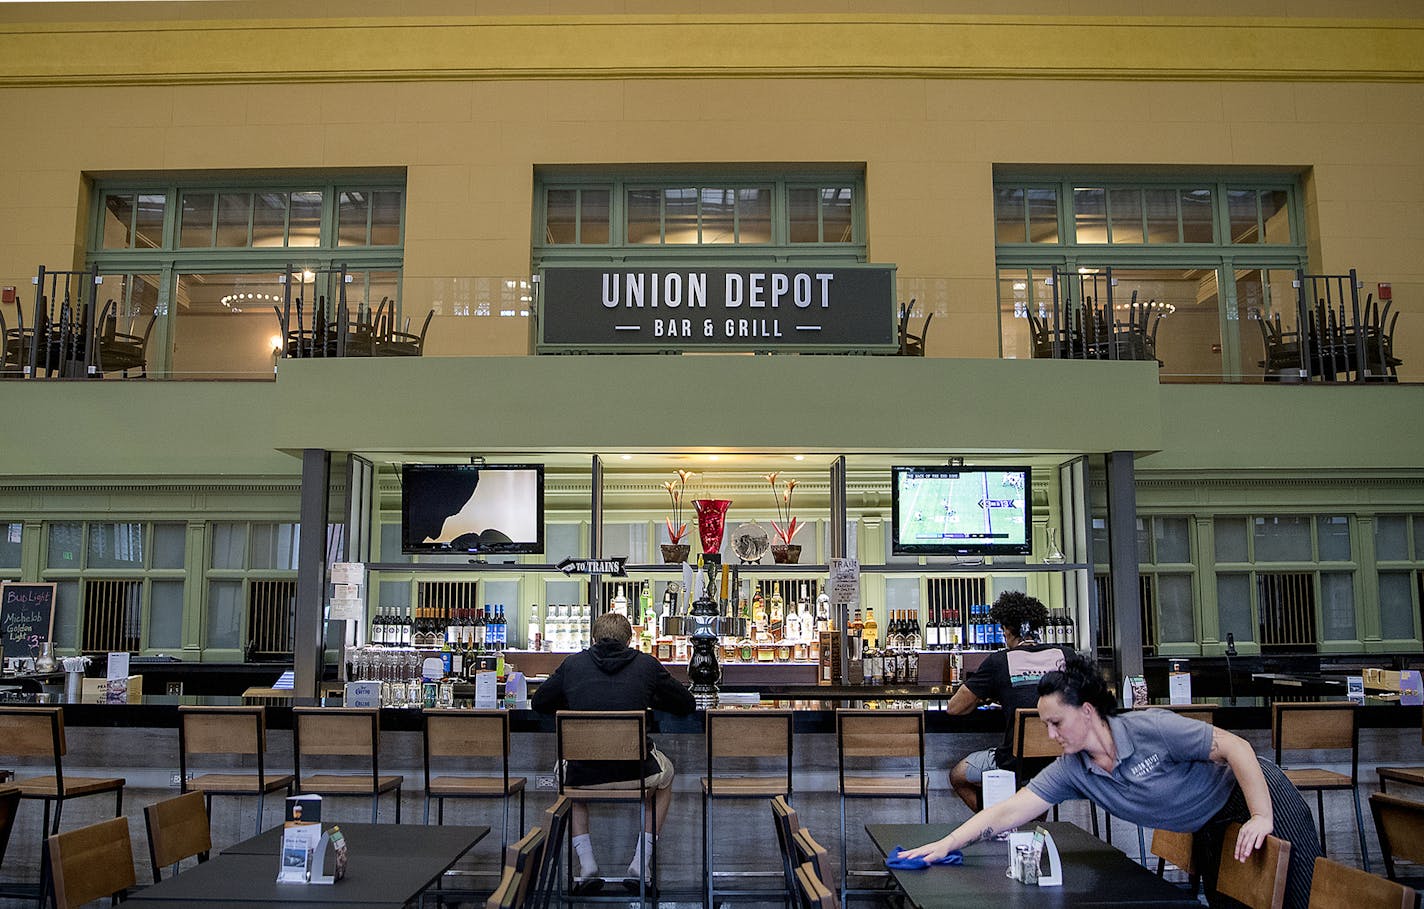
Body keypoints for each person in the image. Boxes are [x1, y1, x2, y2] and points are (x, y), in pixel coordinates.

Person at [900, 653, 1321, 908]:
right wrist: (947, 843)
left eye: (1056, 722)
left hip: (1254, 796)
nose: (1050, 734)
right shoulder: (1074, 769)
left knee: (1296, 900)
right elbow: (1011, 809)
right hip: (1208, 825)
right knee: (1228, 905)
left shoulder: (1149, 728)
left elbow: (1237, 748)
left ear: (1086, 711)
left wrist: (1262, 816)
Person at [531, 610, 695, 894]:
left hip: (583, 775)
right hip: (637, 774)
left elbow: (540, 703)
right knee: (665, 779)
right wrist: (649, 695)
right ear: (630, 640)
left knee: (571, 779)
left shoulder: (572, 665)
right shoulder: (647, 665)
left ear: (593, 638)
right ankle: (640, 863)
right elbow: (686, 704)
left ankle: (587, 864)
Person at [942, 591, 1073, 809]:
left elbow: (954, 708)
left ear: (1006, 630)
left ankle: (999, 824)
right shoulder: (1067, 654)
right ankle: (1026, 825)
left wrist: (987, 696)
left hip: (1015, 762)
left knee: (958, 775)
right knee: (1036, 782)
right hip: (1064, 759)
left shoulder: (999, 661)